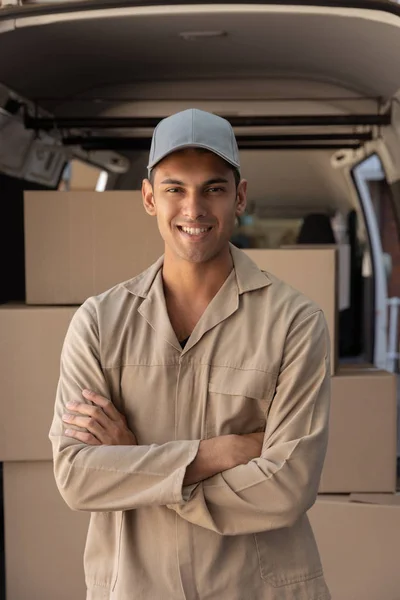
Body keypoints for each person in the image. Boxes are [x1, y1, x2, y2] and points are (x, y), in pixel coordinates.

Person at [50, 108, 331, 600]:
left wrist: (134, 464)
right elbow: (77, 477)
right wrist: (214, 454)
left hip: (256, 590)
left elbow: (286, 488)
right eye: (175, 188)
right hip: (136, 587)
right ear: (148, 198)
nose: (194, 208)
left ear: (239, 196)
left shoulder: (295, 323)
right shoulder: (98, 323)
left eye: (214, 188)